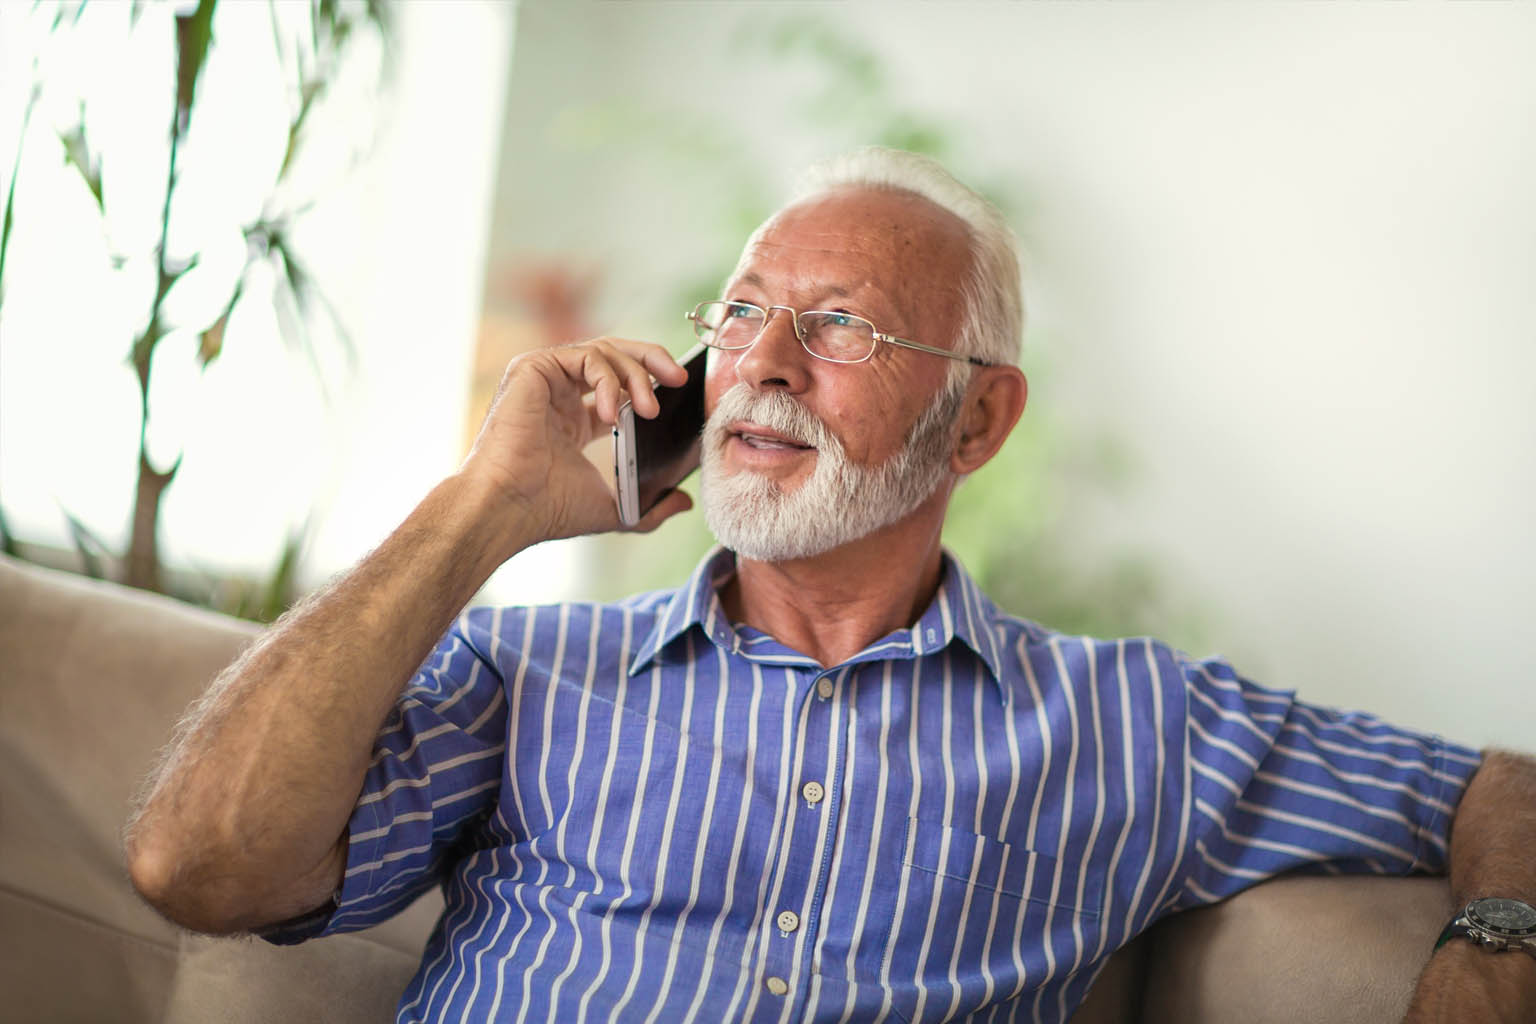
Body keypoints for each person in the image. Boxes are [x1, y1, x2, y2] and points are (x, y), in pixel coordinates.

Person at [125, 148, 1535, 1023]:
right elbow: (197, 867)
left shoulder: (1136, 724)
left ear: (976, 425)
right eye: (740, 312)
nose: (765, 362)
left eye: (841, 325)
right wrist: (484, 507)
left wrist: (1488, 958)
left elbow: (1500, 791)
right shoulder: (528, 671)